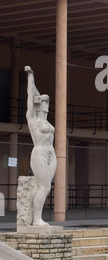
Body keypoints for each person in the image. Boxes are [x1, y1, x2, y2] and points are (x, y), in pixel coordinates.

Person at [24, 66, 57, 226]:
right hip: (40, 153)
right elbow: (31, 94)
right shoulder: (33, 120)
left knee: (47, 188)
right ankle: (37, 219)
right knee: (44, 187)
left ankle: (37, 217)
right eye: (43, 102)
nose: (46, 105)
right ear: (38, 104)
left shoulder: (47, 122)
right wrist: (31, 75)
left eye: (47, 102)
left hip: (51, 153)